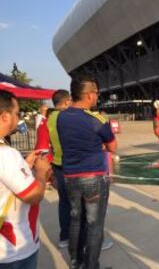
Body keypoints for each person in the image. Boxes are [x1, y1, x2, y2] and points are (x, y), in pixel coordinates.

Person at [57, 75, 117, 269]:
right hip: (93, 176)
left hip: (70, 176)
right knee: (94, 224)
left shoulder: (61, 116)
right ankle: (91, 266)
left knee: (76, 219)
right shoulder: (96, 119)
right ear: (90, 95)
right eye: (97, 93)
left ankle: (76, 262)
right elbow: (113, 146)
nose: (97, 97)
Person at [0, 90, 50, 268]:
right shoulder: (6, 154)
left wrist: (24, 166)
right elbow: (33, 196)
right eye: (16, 113)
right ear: (5, 116)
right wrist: (41, 173)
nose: (18, 117)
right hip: (13, 248)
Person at [47, 89, 72, 248]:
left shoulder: (49, 118)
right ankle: (89, 239)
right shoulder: (65, 117)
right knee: (80, 203)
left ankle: (65, 237)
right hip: (70, 165)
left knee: (64, 202)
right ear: (66, 101)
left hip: (57, 165)